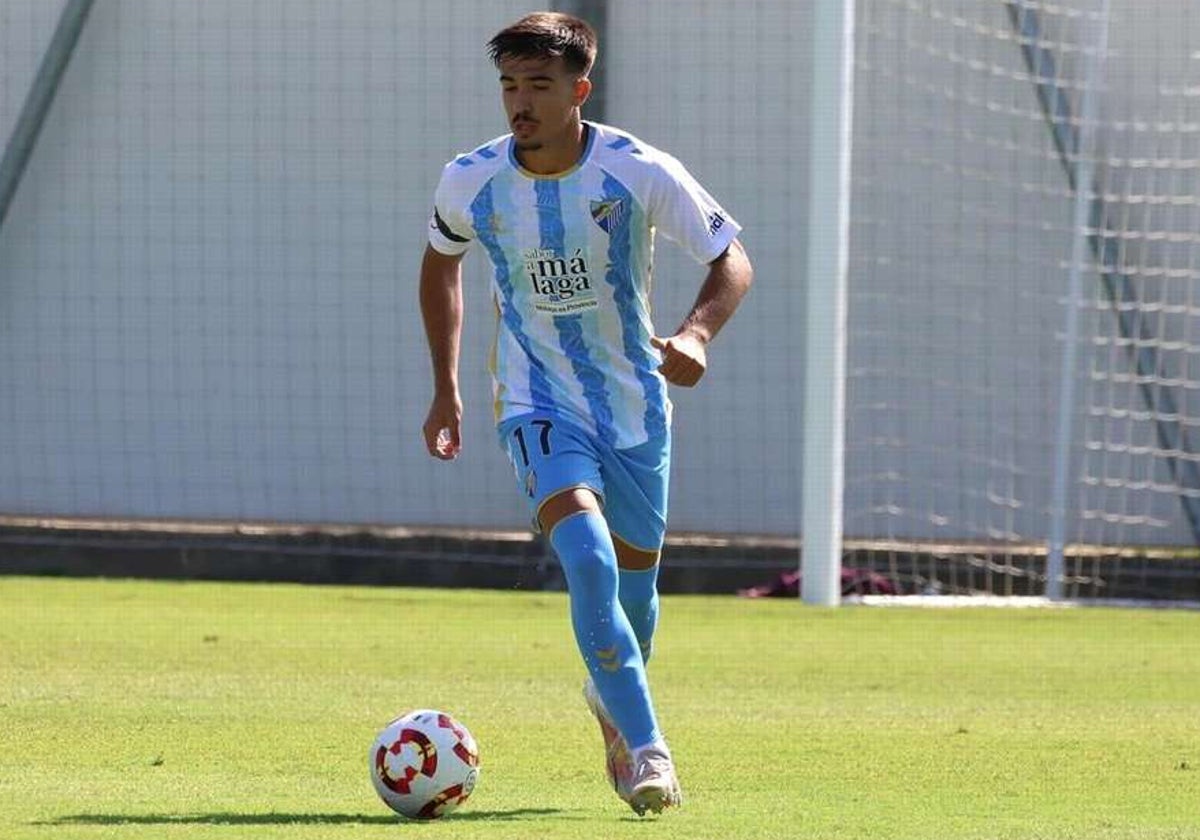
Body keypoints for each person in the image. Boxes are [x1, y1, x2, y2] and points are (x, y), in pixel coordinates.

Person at [419, 11, 752, 816]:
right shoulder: (471, 180)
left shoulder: (636, 172)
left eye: (538, 85)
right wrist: (447, 386)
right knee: (590, 563)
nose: (520, 102)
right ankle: (649, 753)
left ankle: (611, 698)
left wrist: (697, 336)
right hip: (535, 403)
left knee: (633, 607)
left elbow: (729, 259)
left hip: (635, 411)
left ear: (579, 90)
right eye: (509, 85)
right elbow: (440, 268)